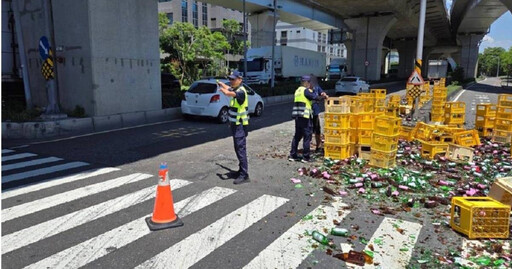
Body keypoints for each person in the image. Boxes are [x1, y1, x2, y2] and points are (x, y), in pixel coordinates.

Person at [217, 71, 250, 184]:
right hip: (235, 125)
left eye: (233, 79)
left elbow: (230, 93)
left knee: (241, 149)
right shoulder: (235, 88)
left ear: (240, 79)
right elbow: (229, 89)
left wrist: (224, 90)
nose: (231, 81)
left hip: (240, 126)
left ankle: (244, 175)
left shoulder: (241, 92)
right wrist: (222, 84)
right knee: (238, 149)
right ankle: (241, 170)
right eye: (230, 79)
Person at [289, 75, 319, 163]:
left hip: (297, 117)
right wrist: (322, 96)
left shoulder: (297, 91)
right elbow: (315, 97)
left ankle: (293, 155)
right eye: (309, 82)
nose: (310, 84)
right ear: (305, 82)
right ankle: (306, 157)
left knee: (297, 136)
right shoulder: (306, 91)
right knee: (307, 136)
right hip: (305, 117)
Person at [309, 75, 328, 152]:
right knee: (309, 129)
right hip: (308, 111)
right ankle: (308, 146)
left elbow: (321, 92)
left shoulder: (316, 86)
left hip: (316, 111)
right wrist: (321, 97)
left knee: (317, 128)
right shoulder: (307, 89)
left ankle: (318, 146)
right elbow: (316, 97)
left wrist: (323, 94)